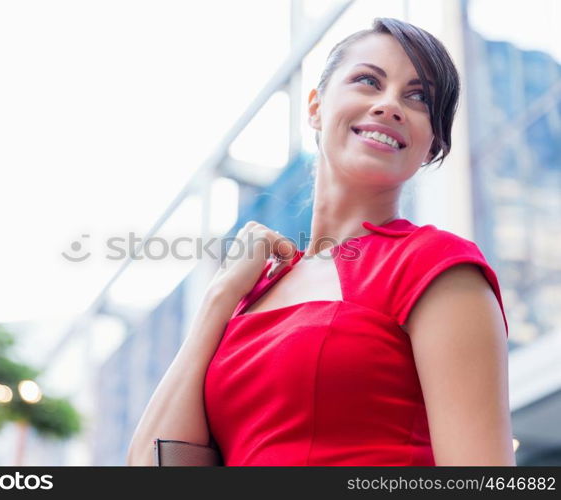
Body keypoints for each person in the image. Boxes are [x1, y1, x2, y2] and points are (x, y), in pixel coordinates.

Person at [126, 17, 515, 466]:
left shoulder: (435, 265)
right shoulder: (248, 291)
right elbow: (151, 465)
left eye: (419, 98)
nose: (390, 106)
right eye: (368, 81)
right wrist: (220, 296)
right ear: (314, 107)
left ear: (431, 145)